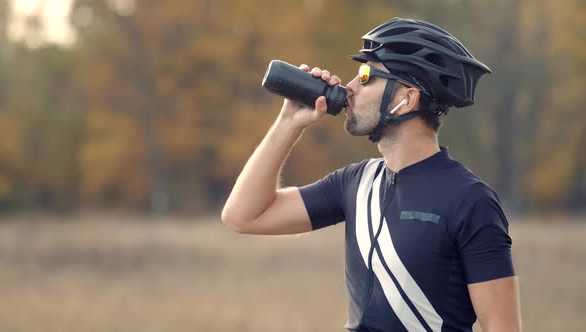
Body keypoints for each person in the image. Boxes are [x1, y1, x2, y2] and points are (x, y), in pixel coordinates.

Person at [221, 17, 521, 332]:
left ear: (408, 98)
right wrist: (288, 123)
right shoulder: (355, 182)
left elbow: (503, 328)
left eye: (366, 75)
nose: (349, 86)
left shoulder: (470, 200)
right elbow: (242, 216)